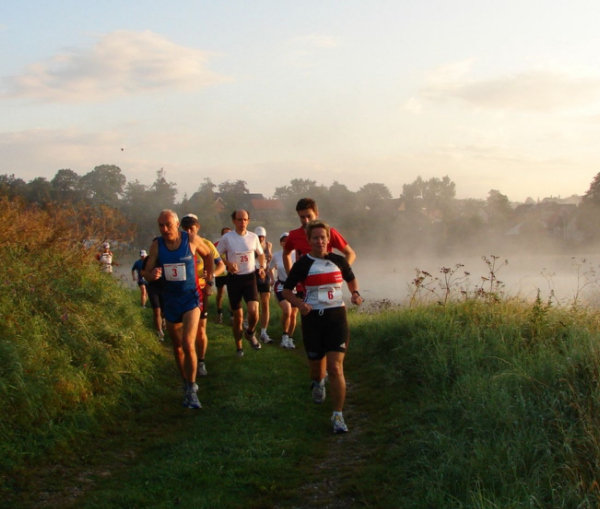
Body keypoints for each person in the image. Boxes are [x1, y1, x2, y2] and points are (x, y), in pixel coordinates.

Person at [283, 220, 363, 434]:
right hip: (313, 320)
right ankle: (318, 382)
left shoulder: (339, 260)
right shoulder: (303, 264)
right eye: (315, 238)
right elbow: (286, 291)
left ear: (329, 240)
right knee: (317, 370)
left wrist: (355, 294)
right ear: (309, 241)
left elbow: (352, 280)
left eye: (323, 237)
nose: (320, 241)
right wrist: (299, 304)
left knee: (335, 367)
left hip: (337, 317)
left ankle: (338, 414)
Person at [142, 210, 214, 409]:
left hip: (190, 298)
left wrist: (208, 280)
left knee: (188, 342)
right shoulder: (157, 245)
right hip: (170, 300)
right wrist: (152, 274)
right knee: (178, 347)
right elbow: (146, 273)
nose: (164, 229)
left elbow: (208, 256)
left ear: (176, 224)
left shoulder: (190, 239)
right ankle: (186, 383)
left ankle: (192, 389)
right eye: (161, 226)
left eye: (168, 225)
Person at [180, 214, 225, 377]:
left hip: (200, 292)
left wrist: (210, 278)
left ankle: (201, 361)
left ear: (198, 227)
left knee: (200, 330)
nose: (188, 232)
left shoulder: (206, 244)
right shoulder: (178, 245)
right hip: (181, 291)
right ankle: (186, 361)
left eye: (191, 228)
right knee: (182, 330)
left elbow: (220, 265)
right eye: (185, 229)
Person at [217, 210, 266, 357]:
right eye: (239, 220)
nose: (242, 222)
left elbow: (261, 254)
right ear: (234, 221)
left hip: (250, 277)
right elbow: (216, 256)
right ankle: (239, 347)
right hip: (234, 279)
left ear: (248, 221)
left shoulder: (253, 237)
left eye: (245, 219)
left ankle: (250, 332)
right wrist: (227, 263)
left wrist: (262, 267)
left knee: (254, 312)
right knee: (238, 318)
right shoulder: (227, 238)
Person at [283, 197, 355, 275]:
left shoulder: (330, 233)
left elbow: (350, 254)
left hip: (327, 282)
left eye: (309, 216)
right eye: (302, 217)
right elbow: (286, 253)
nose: (306, 221)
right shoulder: (294, 235)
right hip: (303, 285)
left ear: (316, 215)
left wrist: (338, 272)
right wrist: (290, 276)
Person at [269, 232, 298, 349]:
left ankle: (290, 338)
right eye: (284, 240)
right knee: (287, 310)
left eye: (288, 240)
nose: (286, 242)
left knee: (294, 314)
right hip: (281, 286)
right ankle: (284, 336)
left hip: (295, 288)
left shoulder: (297, 254)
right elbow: (269, 268)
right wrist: (271, 279)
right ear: (281, 243)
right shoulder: (276, 255)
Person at [254, 226, 273, 344]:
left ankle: (263, 332)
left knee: (265, 305)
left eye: (262, 237)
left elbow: (269, 256)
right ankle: (250, 326)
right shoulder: (252, 244)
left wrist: (269, 252)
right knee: (255, 305)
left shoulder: (268, 245)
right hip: (254, 274)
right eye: (259, 237)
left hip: (264, 275)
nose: (261, 239)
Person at [142, 250, 165, 339]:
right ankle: (159, 332)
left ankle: (163, 319)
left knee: (164, 312)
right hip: (153, 288)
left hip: (165, 288)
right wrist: (151, 275)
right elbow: (142, 272)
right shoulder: (148, 259)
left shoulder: (168, 257)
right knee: (156, 311)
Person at [214, 227, 232, 324]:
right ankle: (219, 313)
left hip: (231, 272)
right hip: (220, 273)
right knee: (220, 293)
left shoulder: (234, 243)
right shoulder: (216, 244)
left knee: (231, 294)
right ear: (222, 235)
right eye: (225, 233)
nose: (227, 235)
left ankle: (232, 315)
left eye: (229, 233)